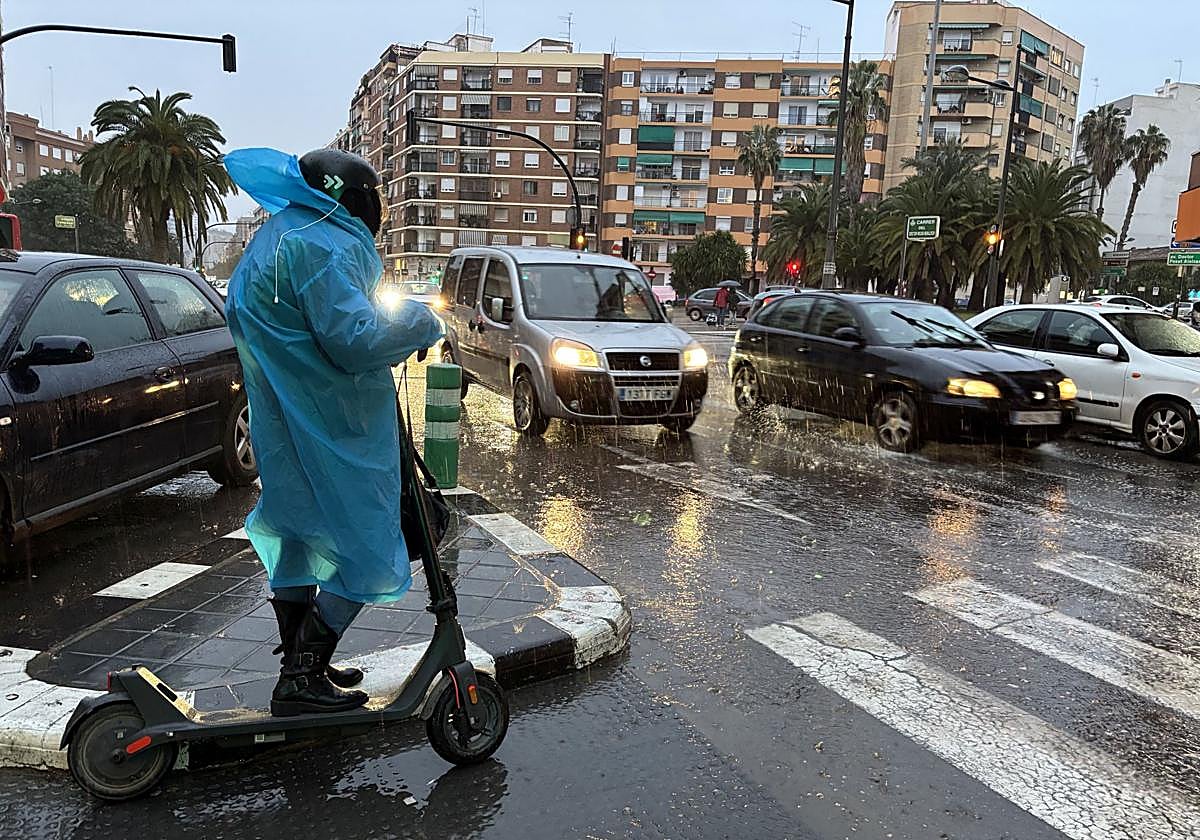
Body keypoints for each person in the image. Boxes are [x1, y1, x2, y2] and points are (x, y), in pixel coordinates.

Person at [223, 148, 445, 717]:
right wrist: (422, 321)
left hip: (283, 420)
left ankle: (301, 662)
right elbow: (355, 339)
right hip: (337, 424)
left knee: (297, 532)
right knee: (370, 540)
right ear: (358, 200)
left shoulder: (278, 236)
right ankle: (302, 673)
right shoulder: (327, 244)